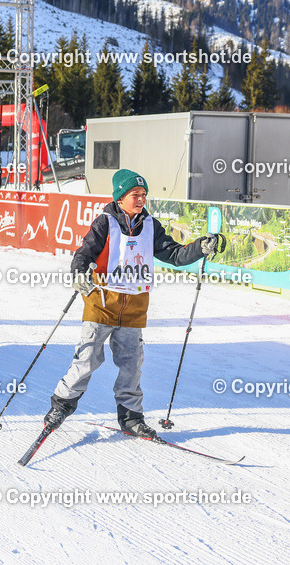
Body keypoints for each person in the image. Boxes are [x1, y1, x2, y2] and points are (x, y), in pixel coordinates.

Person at [44, 168, 221, 438]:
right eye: (135, 194)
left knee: (131, 366)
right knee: (88, 358)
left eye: (143, 195)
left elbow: (174, 254)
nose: (141, 200)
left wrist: (199, 248)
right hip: (102, 303)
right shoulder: (105, 222)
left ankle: (131, 418)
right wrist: (79, 274)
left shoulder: (151, 225)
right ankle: (61, 405)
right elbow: (84, 253)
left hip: (134, 308)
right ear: (120, 197)